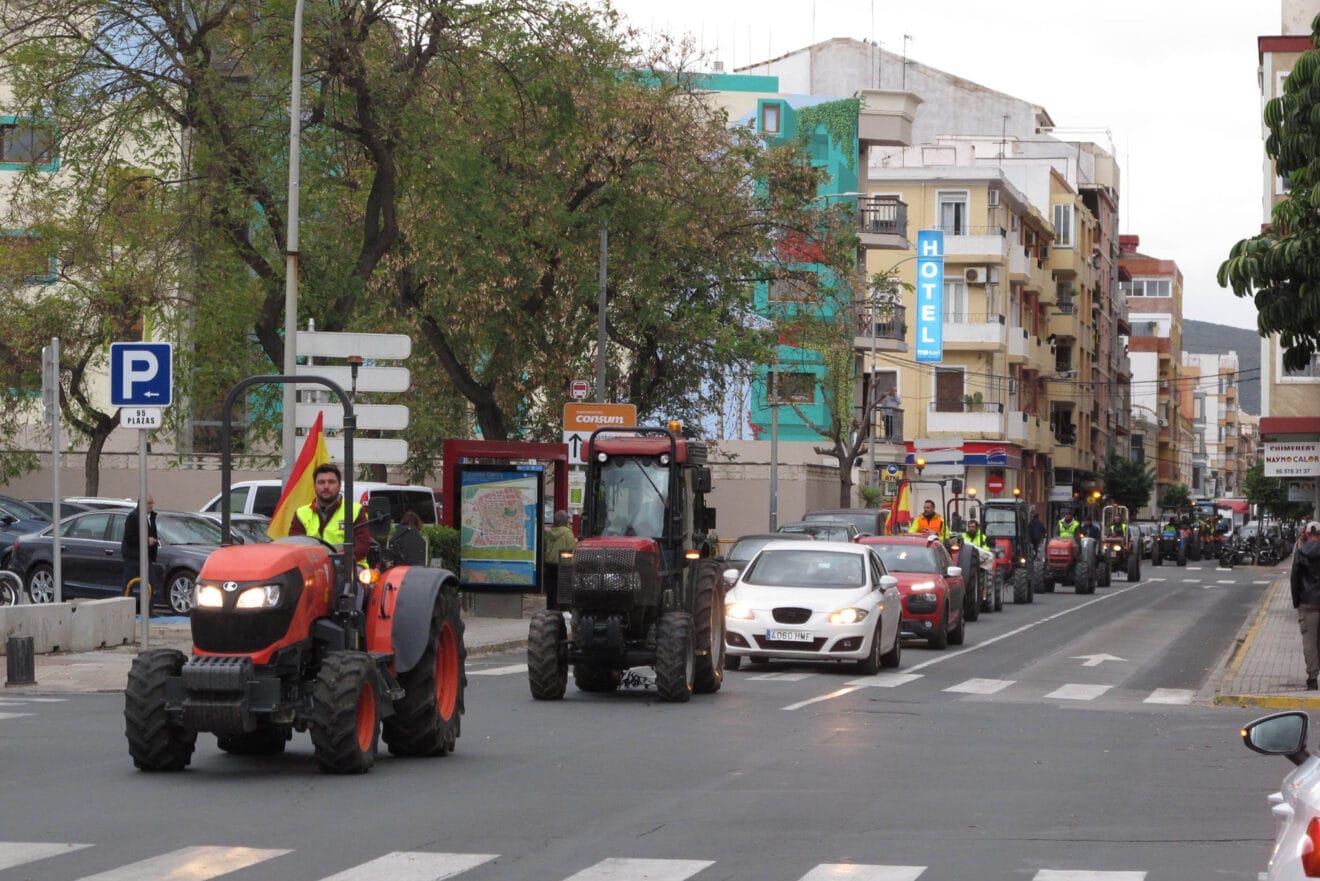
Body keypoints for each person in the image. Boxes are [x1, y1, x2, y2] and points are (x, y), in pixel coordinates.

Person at [289, 463, 371, 564]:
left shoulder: (355, 510)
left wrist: (337, 559)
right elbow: (294, 546)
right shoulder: (301, 513)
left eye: (331, 482)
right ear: (314, 485)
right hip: (314, 568)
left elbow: (363, 546)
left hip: (350, 568)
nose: (326, 486)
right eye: (321, 482)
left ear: (339, 485)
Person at [1290, 521, 1320, 690]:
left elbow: (1295, 578)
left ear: (1307, 534)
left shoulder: (1301, 552)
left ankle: (1313, 678)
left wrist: (1296, 601)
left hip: (1308, 602)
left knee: (1309, 641)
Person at [121, 495, 159, 596]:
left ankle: (148, 610)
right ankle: (126, 606)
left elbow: (152, 533)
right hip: (133, 556)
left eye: (152, 503)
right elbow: (129, 538)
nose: (151, 506)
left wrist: (154, 541)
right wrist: (146, 540)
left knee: (151, 583)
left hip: (146, 557)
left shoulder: (151, 517)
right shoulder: (133, 517)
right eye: (149, 503)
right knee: (130, 583)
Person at [542, 510, 577, 610]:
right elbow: (572, 549)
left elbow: (545, 547)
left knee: (551, 590)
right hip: (563, 565)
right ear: (565, 521)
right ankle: (565, 609)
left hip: (549, 565)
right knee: (564, 588)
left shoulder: (549, 533)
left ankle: (551, 609)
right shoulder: (567, 532)